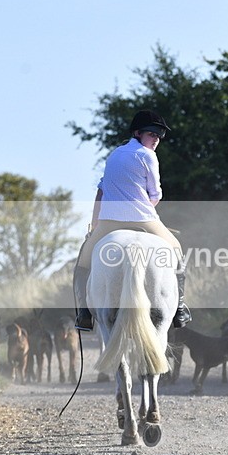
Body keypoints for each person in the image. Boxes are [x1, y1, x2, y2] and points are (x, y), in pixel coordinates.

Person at [73, 109, 191, 331]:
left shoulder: (114, 155)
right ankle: (180, 309)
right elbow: (155, 196)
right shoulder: (148, 156)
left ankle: (84, 314)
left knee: (83, 263)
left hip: (109, 221)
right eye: (152, 134)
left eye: (159, 136)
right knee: (176, 250)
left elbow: (101, 191)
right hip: (143, 218)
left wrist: (95, 224)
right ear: (138, 133)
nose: (156, 140)